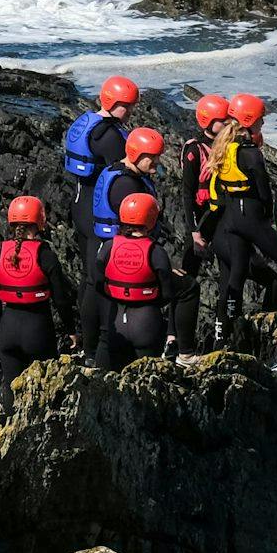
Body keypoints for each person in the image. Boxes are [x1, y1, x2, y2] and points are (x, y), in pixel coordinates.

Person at [204, 92, 277, 350]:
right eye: (260, 119)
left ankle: (223, 334)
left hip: (230, 218)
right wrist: (268, 218)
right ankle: (275, 313)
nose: (263, 123)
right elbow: (264, 191)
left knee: (233, 274)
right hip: (251, 214)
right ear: (250, 120)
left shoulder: (224, 146)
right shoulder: (250, 153)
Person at [0, 195, 72, 408]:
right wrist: (71, 329)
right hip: (38, 330)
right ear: (40, 221)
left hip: (8, 329)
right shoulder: (45, 255)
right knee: (45, 389)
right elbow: (61, 299)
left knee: (10, 388)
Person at [84, 123, 164, 350]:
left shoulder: (117, 171)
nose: (157, 163)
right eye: (153, 158)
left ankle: (93, 350)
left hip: (107, 246)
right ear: (137, 155)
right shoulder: (127, 184)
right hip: (122, 254)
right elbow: (134, 229)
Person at [61, 73, 140, 291]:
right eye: (127, 106)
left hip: (79, 205)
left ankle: (88, 325)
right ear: (113, 103)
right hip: (95, 214)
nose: (131, 111)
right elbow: (121, 175)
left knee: (88, 275)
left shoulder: (87, 122)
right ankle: (99, 325)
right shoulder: (109, 136)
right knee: (98, 280)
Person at [89, 190, 182, 371]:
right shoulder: (156, 252)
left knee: (110, 384)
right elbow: (167, 293)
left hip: (114, 323)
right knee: (146, 387)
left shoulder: (108, 247)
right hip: (146, 323)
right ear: (151, 221)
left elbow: (97, 282)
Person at [173, 93, 232, 350]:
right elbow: (186, 192)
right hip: (200, 221)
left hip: (220, 218)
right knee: (188, 277)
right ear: (209, 121)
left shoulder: (228, 145)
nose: (227, 123)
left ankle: (223, 333)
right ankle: (173, 337)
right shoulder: (194, 150)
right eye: (222, 120)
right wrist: (193, 230)